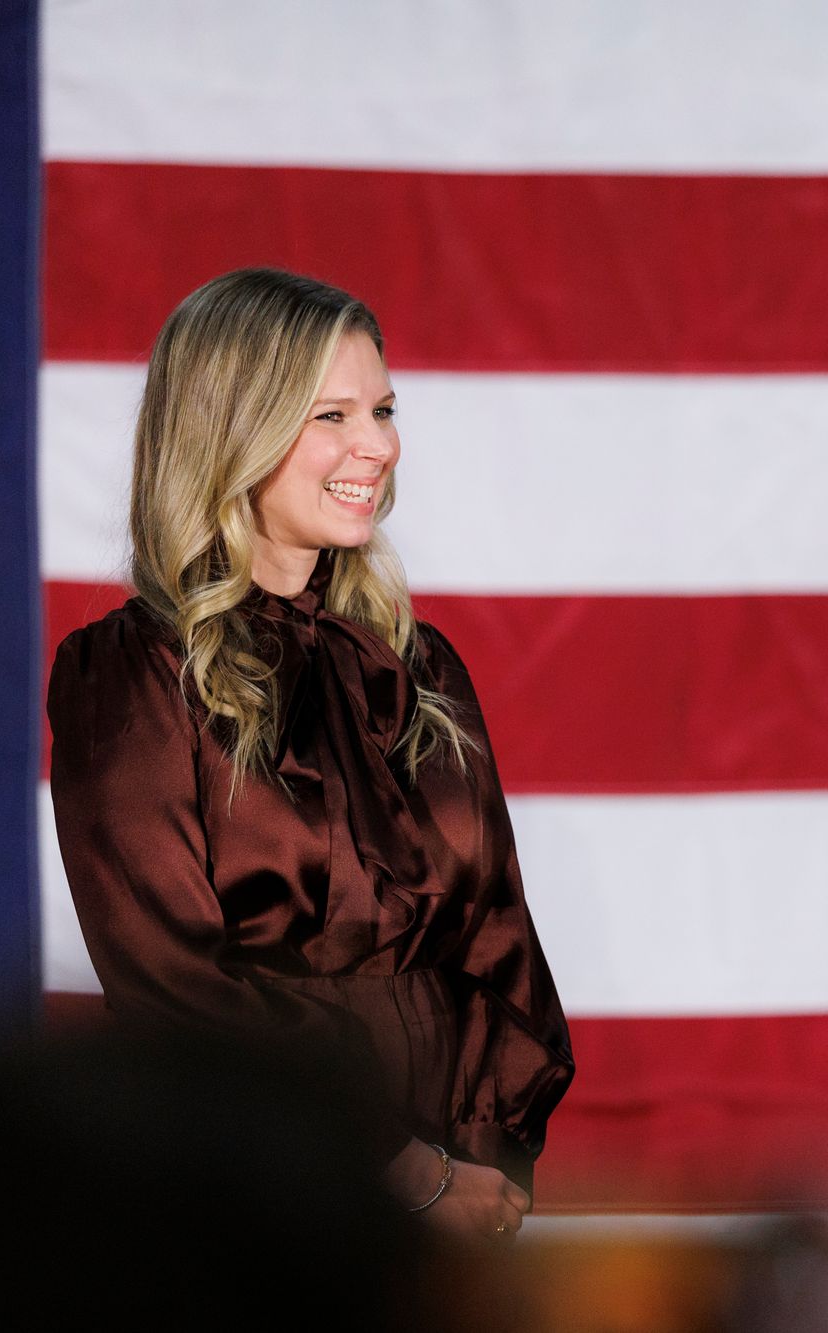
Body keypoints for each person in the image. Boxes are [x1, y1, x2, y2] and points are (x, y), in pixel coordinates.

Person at [47, 268, 574, 1242]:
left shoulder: (422, 668)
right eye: (330, 414)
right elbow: (172, 980)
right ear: (230, 426)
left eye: (381, 407)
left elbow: (500, 933)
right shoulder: (128, 676)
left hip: (461, 1200)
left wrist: (487, 1161)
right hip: (257, 1193)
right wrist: (402, 1167)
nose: (377, 444)